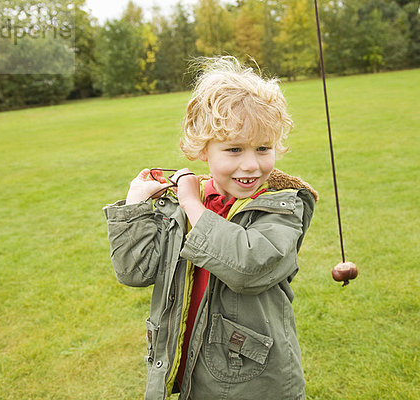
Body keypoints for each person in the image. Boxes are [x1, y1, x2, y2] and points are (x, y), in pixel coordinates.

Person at [103, 56, 318, 400]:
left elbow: (251, 266)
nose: (250, 164)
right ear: (203, 150)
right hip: (192, 365)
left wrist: (192, 205)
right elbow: (135, 271)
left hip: (257, 382)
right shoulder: (189, 199)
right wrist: (136, 206)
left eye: (263, 148)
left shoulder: (283, 206)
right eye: (233, 149)